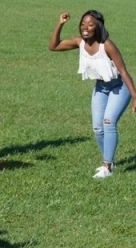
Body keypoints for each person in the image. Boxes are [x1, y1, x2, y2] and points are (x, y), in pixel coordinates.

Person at [49, 10, 136, 178]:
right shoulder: (79, 42)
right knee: (97, 128)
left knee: (108, 122)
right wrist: (60, 23)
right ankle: (109, 161)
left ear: (98, 27)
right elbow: (53, 46)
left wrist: (134, 96)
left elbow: (124, 72)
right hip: (101, 88)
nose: (85, 28)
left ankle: (107, 166)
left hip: (119, 87)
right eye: (83, 24)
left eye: (90, 25)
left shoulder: (107, 45)